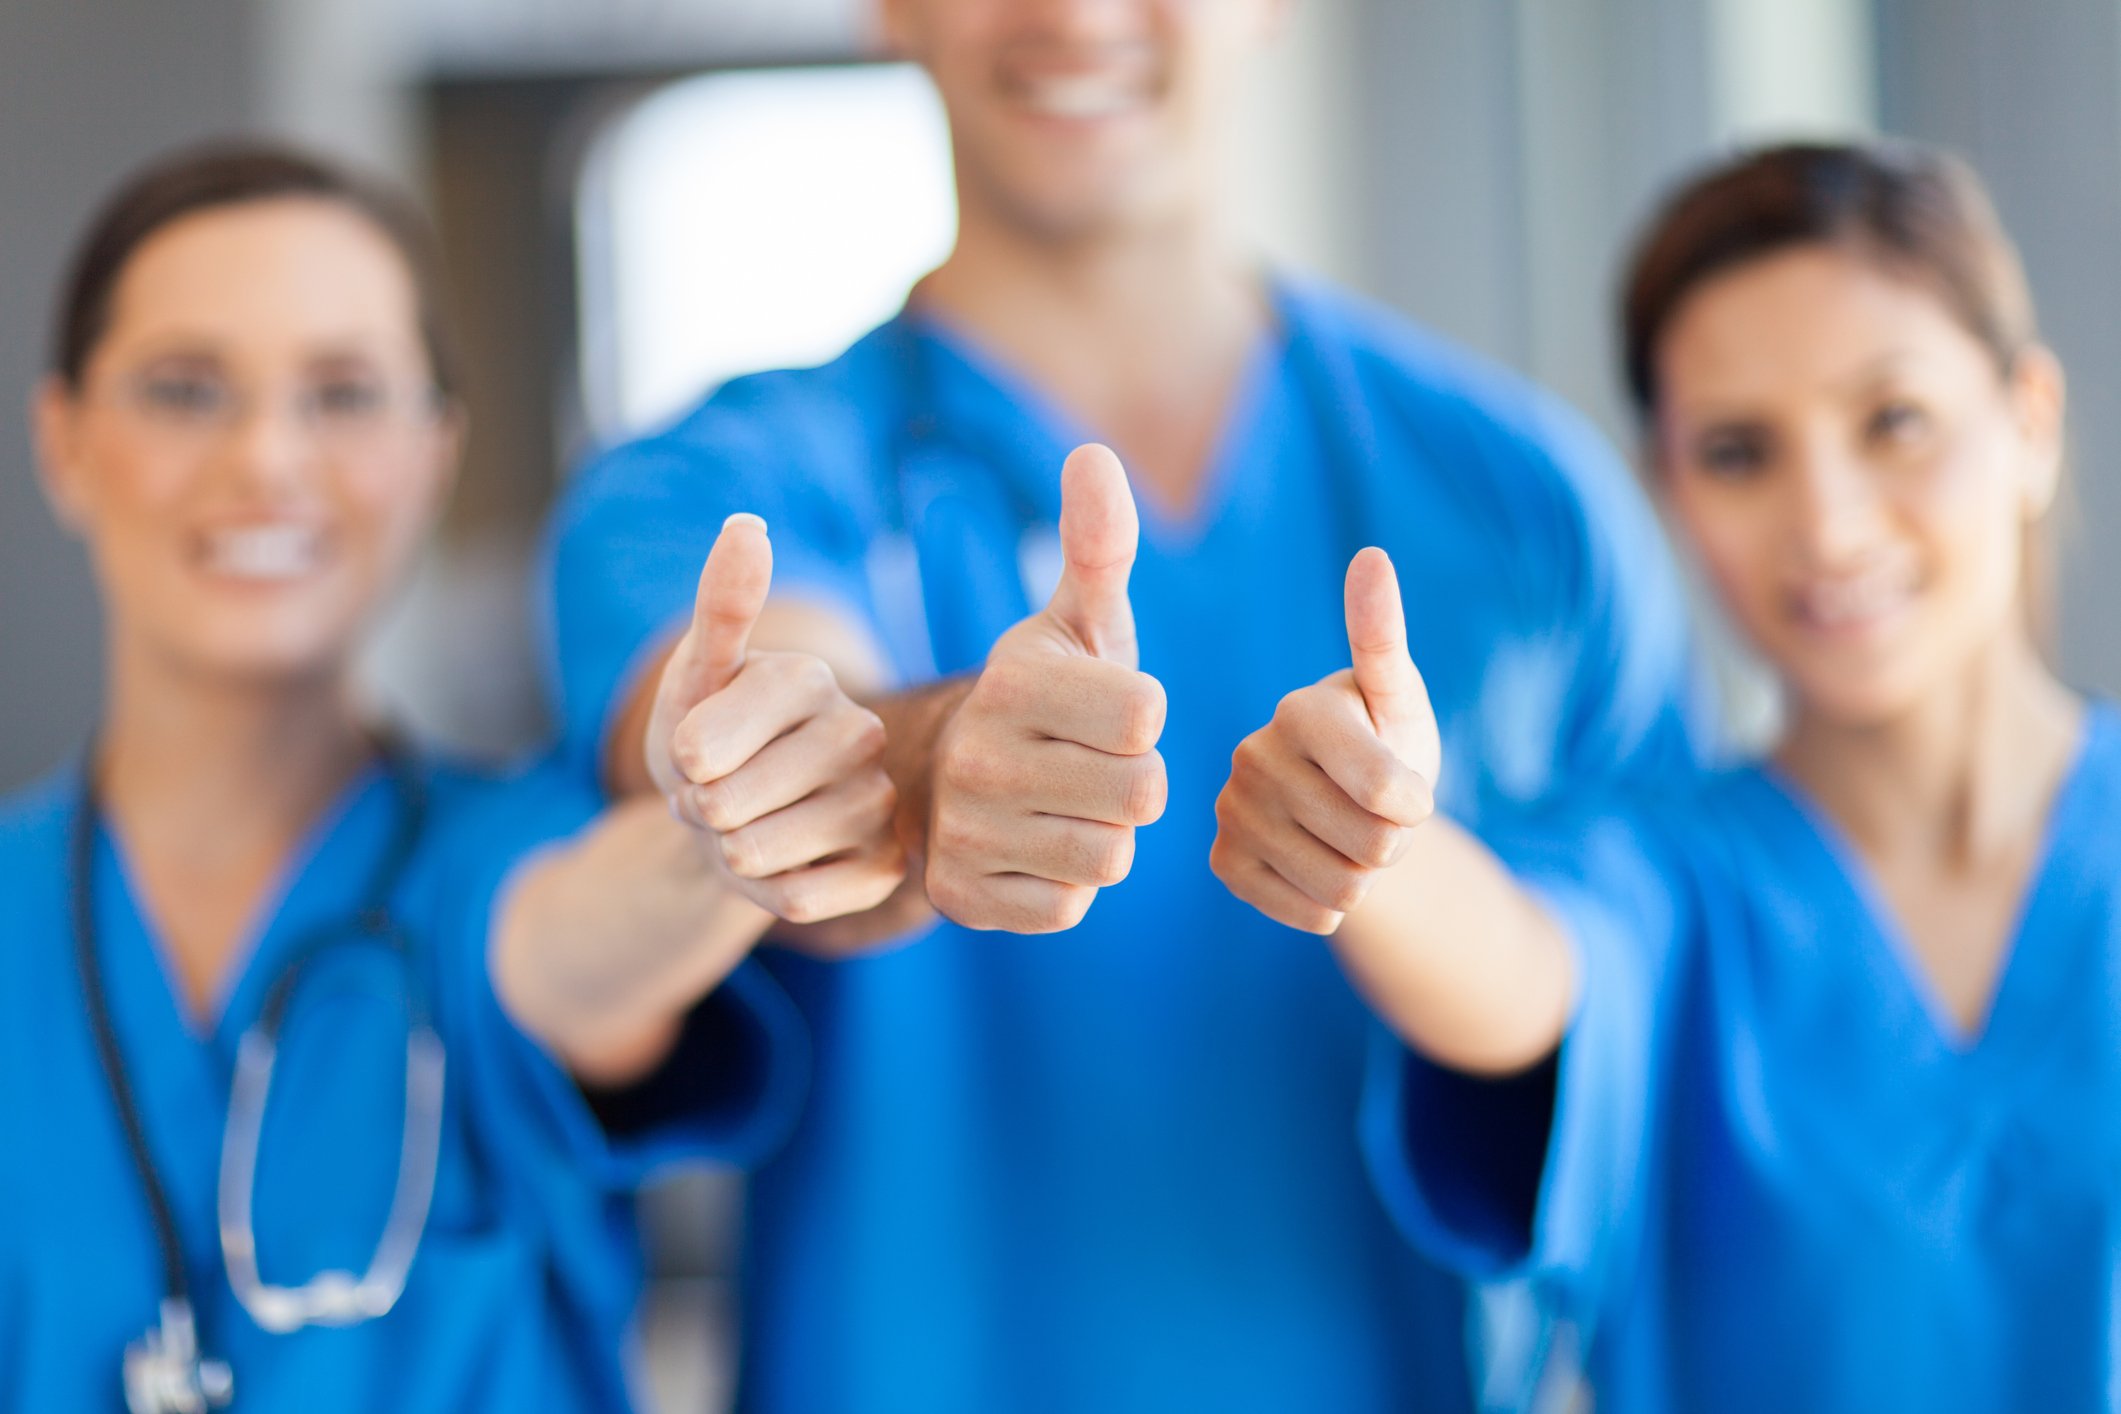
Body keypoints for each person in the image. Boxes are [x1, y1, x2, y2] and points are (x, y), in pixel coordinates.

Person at [544, 1, 1706, 1408]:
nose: (1076, 13)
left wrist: (1389, 863)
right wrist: (907, 767)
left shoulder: (1530, 513)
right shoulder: (701, 495)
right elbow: (762, 707)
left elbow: (1642, 1028)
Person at [1210, 141, 2113, 1412]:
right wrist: (1381, 841)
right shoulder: (1667, 886)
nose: (1831, 523)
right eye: (1741, 452)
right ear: (1667, 496)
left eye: (1893, 422)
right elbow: (1526, 967)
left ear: (2029, 423)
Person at [0, 142, 903, 1413]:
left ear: (435, 451)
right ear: (64, 443)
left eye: (345, 392)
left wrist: (729, 821)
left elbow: (585, 932)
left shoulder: (507, 859)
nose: (265, 457)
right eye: (185, 389)